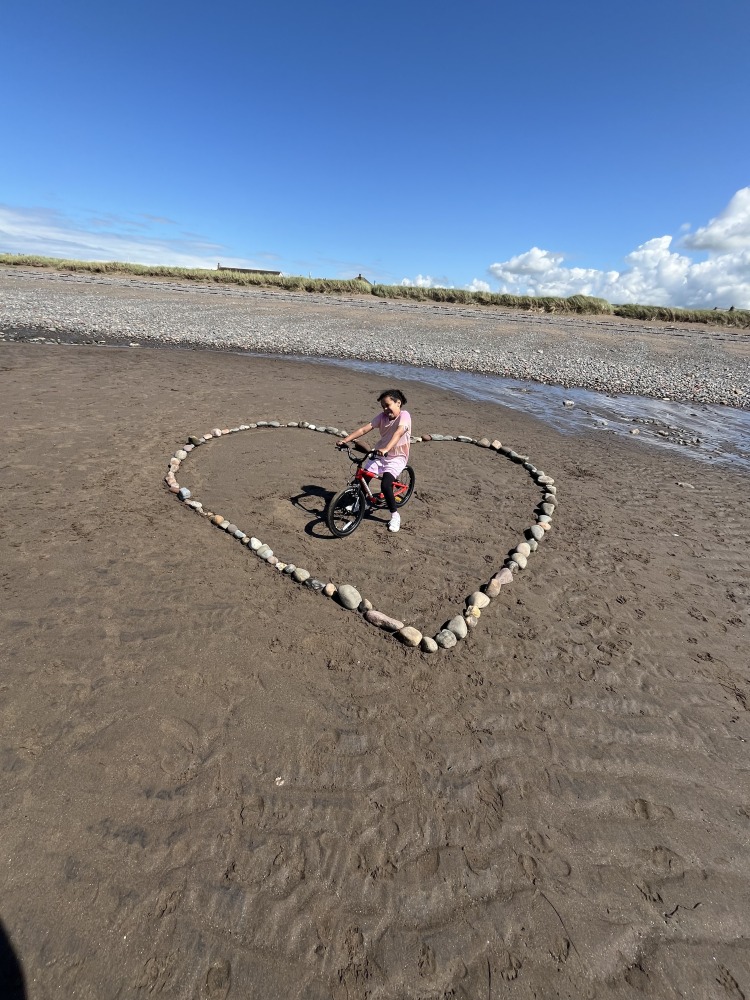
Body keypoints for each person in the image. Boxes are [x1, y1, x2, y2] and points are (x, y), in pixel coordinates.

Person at [336, 389, 411, 533]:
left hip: (397, 456)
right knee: (363, 478)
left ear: (398, 403)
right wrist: (345, 440)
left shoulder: (405, 416)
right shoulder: (382, 417)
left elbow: (399, 432)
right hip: (380, 453)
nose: (385, 409)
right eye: (383, 406)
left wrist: (387, 448)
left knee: (386, 484)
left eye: (388, 405)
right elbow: (365, 429)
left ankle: (395, 515)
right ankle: (359, 502)